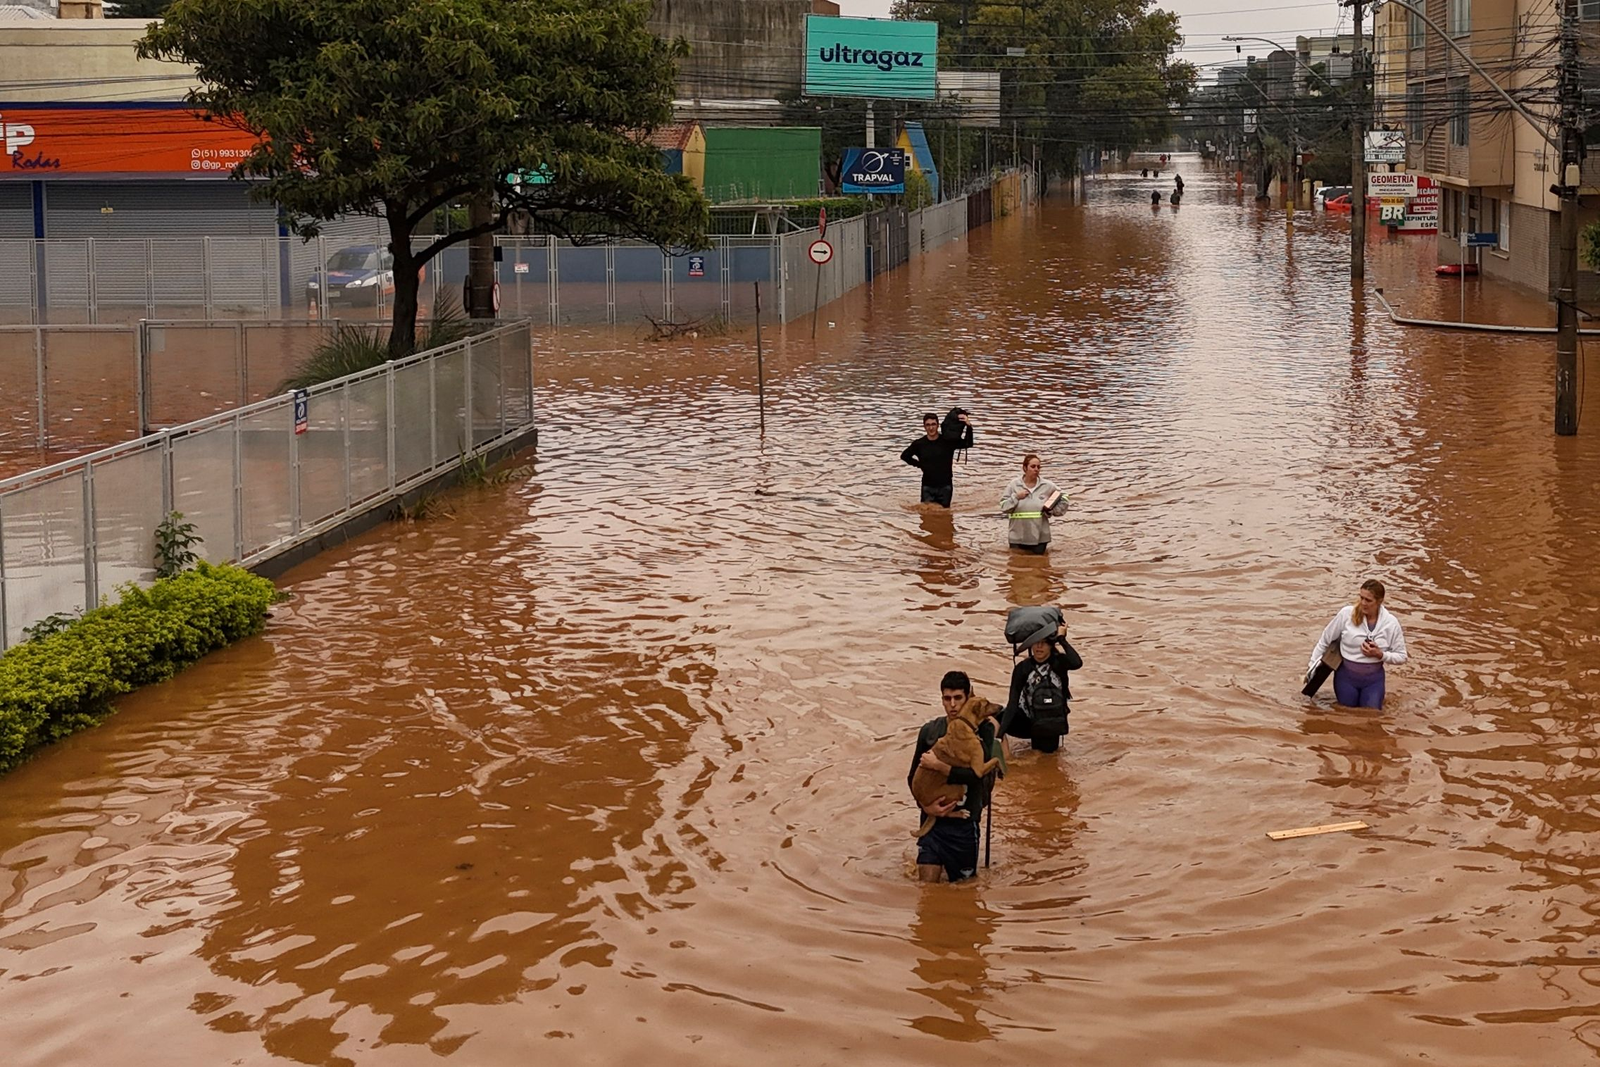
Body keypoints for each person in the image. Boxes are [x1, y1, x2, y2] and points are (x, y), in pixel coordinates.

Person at [909, 670, 1001, 884]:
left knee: (964, 890)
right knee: (926, 891)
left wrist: (942, 767)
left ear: (968, 699)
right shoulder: (930, 731)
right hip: (932, 821)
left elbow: (979, 778)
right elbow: (913, 776)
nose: (952, 705)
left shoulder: (984, 732)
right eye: (947, 698)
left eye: (958, 698)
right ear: (941, 699)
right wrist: (925, 806)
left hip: (965, 823)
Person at [1306, 579, 1409, 709]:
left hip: (1373, 681)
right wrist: (1311, 668)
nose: (1363, 603)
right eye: (1361, 598)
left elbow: (1402, 657)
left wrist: (1380, 655)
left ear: (1379, 601)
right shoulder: (1346, 614)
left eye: (1368, 600)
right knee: (1346, 714)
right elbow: (1324, 641)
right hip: (1346, 678)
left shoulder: (1391, 623)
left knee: (1372, 717)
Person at [1002, 617, 1082, 753]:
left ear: (1051, 645)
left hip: (1051, 721)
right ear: (1031, 644)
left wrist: (1062, 639)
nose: (1039, 647)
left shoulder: (1059, 663)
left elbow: (1077, 663)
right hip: (1028, 721)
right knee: (994, 718)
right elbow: (1013, 703)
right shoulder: (1023, 668)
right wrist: (1000, 733)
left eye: (1044, 643)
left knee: (1046, 758)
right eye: (1036, 642)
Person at [901, 411, 973, 508]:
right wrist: (920, 465)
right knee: (926, 516)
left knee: (944, 515)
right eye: (928, 425)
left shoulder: (947, 441)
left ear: (938, 425)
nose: (931, 428)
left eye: (933, 424)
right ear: (924, 427)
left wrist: (968, 426)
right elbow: (905, 456)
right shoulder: (919, 444)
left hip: (945, 487)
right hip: (927, 487)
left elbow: (968, 443)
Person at [1000, 453, 1068, 554]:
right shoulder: (1013, 485)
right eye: (1033, 466)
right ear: (1024, 468)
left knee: (1040, 567)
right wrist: (1016, 497)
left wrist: (1052, 510)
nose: (1036, 469)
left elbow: (1064, 498)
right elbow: (1004, 506)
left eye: (1038, 467)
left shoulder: (1048, 486)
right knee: (1015, 566)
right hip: (1017, 537)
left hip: (1040, 538)